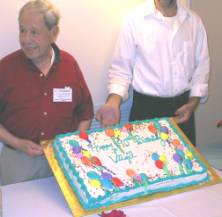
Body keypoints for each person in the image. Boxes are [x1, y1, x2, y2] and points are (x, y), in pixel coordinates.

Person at [0, 0, 93, 186]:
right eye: (22, 30)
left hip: (62, 161)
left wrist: (72, 145)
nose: (26, 39)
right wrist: (18, 143)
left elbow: (85, 113)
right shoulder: (6, 68)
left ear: (54, 33)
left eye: (34, 32)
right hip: (18, 161)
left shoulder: (69, 65)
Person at [96, 0, 210, 146]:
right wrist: (113, 103)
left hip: (183, 112)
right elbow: (121, 70)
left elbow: (202, 68)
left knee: (186, 168)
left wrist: (193, 103)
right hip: (146, 111)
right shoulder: (134, 19)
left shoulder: (194, 21)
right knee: (145, 166)